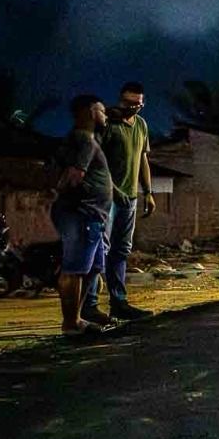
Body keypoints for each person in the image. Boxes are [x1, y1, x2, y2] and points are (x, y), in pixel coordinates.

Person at [82, 81, 155, 324]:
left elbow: (142, 160)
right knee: (99, 251)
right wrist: (112, 190)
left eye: (137, 104)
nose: (132, 108)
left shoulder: (141, 126)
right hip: (106, 200)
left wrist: (149, 192)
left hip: (131, 198)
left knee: (120, 251)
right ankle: (89, 305)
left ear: (142, 104)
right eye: (127, 103)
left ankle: (119, 302)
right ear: (120, 100)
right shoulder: (108, 125)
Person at [51, 95, 114, 336]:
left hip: (93, 215)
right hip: (83, 214)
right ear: (90, 111)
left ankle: (76, 319)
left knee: (93, 267)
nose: (105, 115)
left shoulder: (83, 139)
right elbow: (73, 176)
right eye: (102, 110)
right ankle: (70, 324)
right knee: (75, 269)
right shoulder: (83, 140)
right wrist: (74, 199)